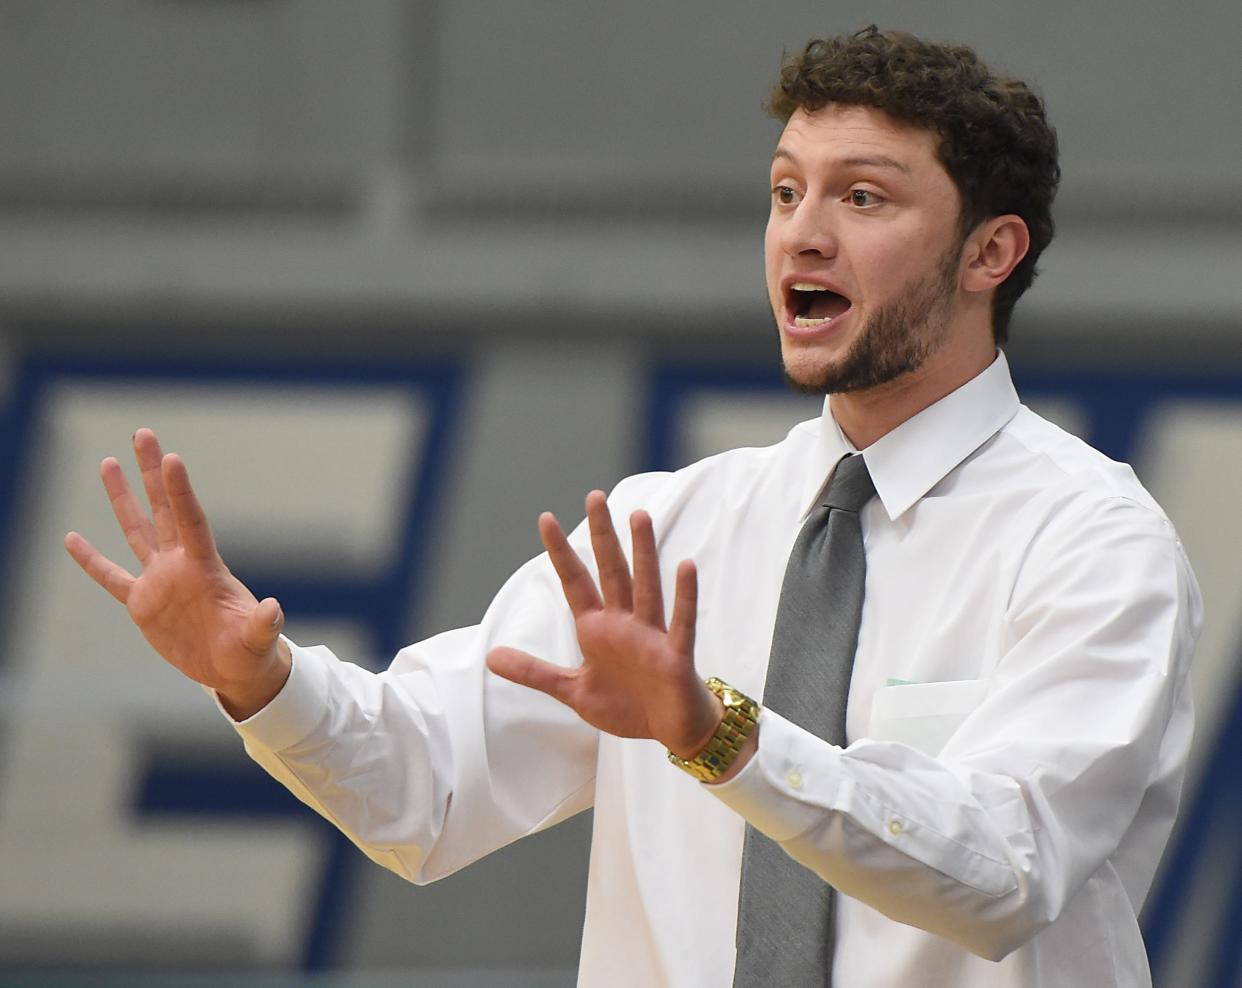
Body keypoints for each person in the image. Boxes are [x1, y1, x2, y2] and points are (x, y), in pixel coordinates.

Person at [65, 26, 1199, 988]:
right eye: (786, 189)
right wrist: (254, 678)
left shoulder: (1092, 539)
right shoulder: (672, 526)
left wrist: (718, 738)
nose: (803, 232)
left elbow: (1007, 868)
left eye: (863, 196)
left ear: (990, 252)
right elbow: (426, 785)